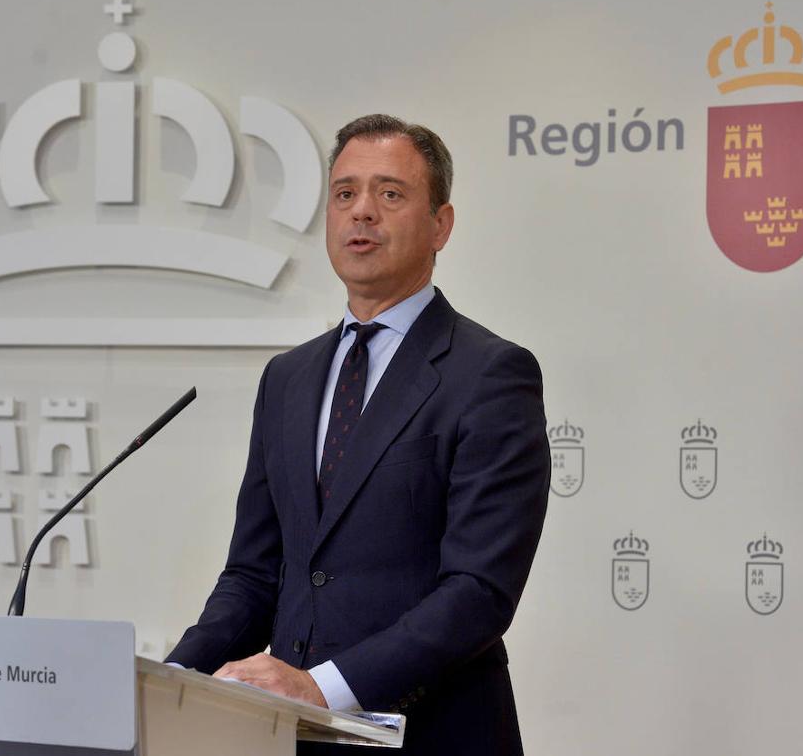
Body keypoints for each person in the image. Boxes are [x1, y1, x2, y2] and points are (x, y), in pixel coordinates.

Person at [165, 114, 550, 755]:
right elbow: (255, 575)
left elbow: (478, 591)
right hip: (290, 737)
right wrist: (175, 676)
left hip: (434, 735)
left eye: (390, 193)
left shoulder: (489, 373)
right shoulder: (287, 378)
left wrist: (323, 688)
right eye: (345, 193)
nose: (362, 211)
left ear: (441, 225)